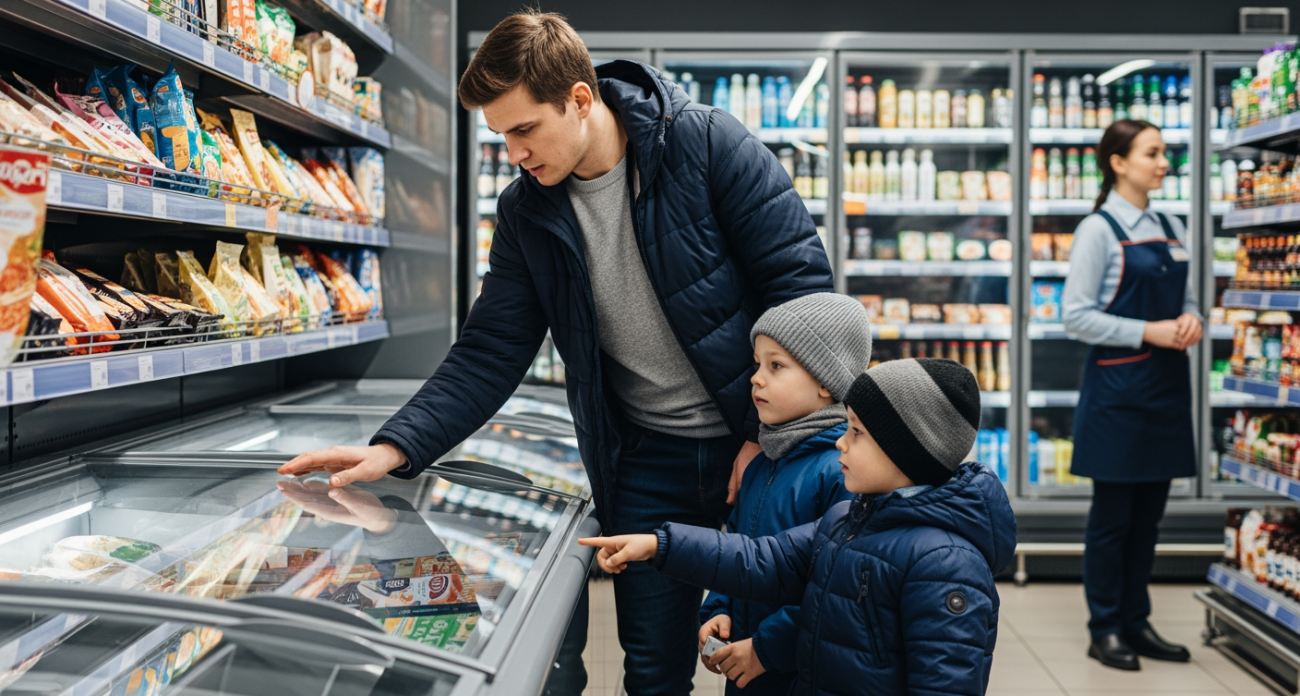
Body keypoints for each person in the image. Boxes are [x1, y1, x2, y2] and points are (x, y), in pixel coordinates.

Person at [277, 10, 834, 695]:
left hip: (764, 456)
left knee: (767, 657)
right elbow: (490, 350)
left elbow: (803, 295)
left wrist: (767, 436)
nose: (514, 153)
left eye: (523, 129)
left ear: (579, 99)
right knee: (654, 671)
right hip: (646, 458)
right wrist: (392, 449)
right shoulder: (526, 213)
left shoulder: (709, 146)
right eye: (500, 136)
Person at [581, 359, 1018, 696]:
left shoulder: (945, 564)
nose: (842, 442)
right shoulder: (848, 520)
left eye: (858, 433)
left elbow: (946, 683)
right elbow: (760, 559)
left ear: (908, 453)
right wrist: (660, 544)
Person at [1062, 119, 1202, 671]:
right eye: (1153, 152)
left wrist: (1192, 320)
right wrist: (1149, 331)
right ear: (1118, 162)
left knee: (1149, 518)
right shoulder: (1097, 229)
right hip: (1119, 394)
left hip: (1166, 392)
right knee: (1113, 518)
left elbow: (1190, 299)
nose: (1164, 162)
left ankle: (1137, 621)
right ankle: (1106, 627)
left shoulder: (1170, 222)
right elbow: (1075, 315)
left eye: (1165, 153)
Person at [698, 292, 869, 694]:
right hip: (748, 666)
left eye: (776, 366)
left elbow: (836, 591)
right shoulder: (761, 463)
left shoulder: (842, 472)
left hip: (802, 671)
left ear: (827, 381)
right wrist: (719, 608)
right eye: (758, 364)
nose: (756, 378)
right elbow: (735, 549)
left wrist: (766, 647)